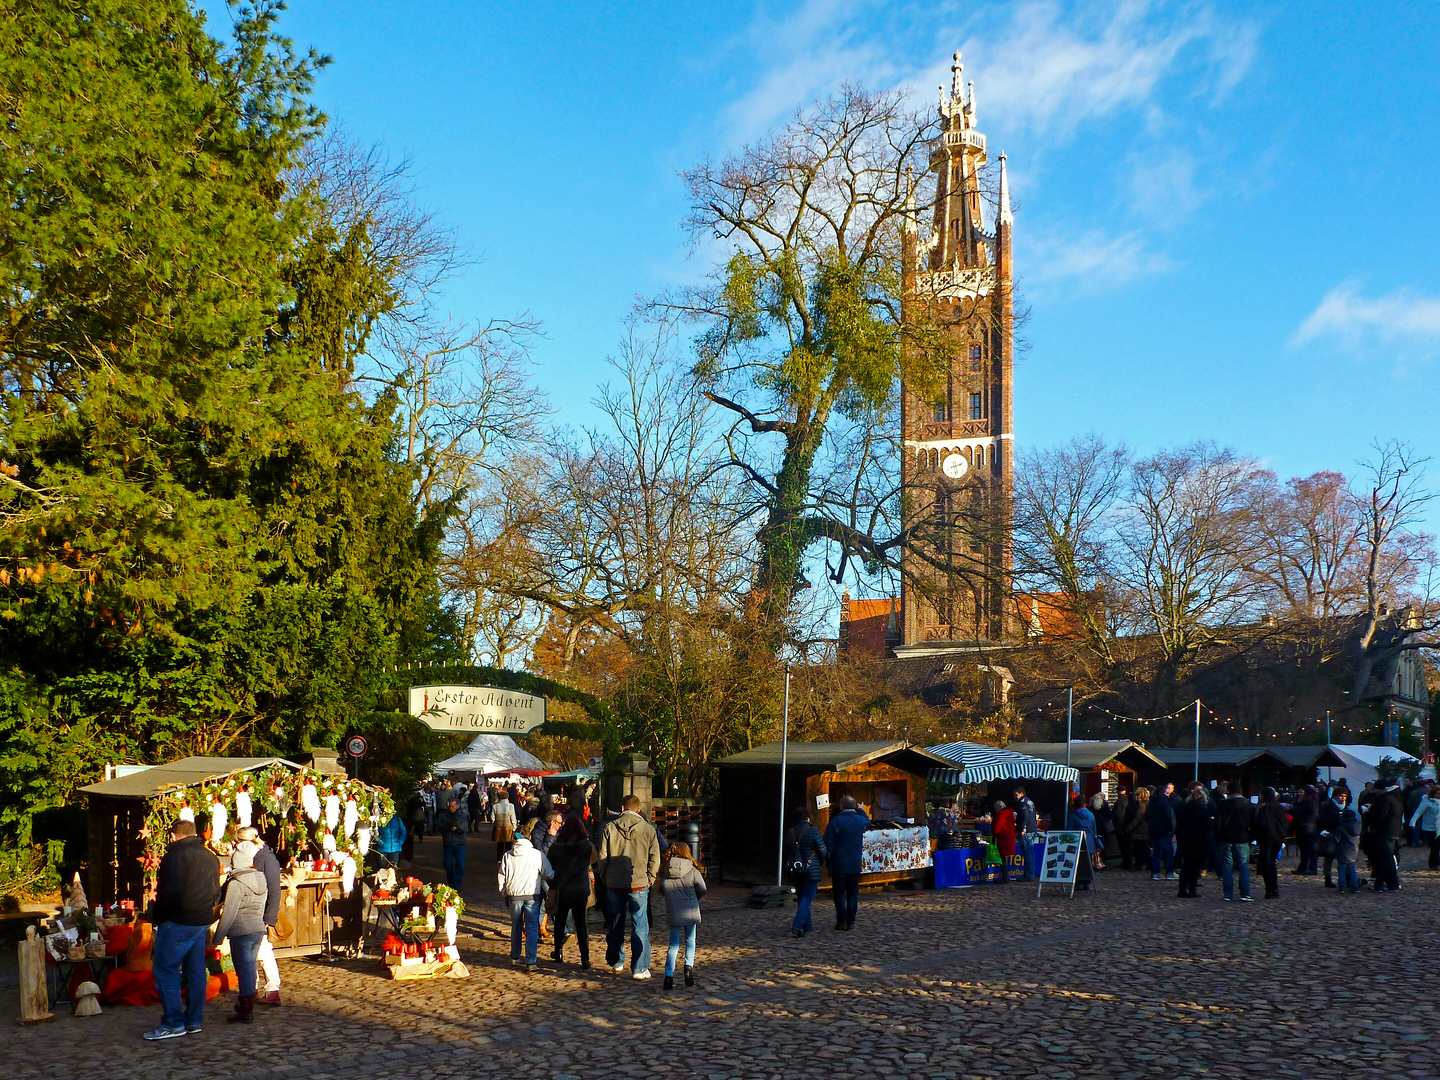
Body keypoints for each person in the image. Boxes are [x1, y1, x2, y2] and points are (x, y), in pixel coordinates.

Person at [144, 818, 221, 1040]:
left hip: (178, 921)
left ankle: (173, 1023)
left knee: (166, 970)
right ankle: (193, 1020)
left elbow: (168, 892)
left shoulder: (175, 856)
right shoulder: (210, 856)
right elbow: (216, 891)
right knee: (195, 972)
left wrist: (159, 918)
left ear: (173, 835)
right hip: (201, 921)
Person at [596, 794, 661, 979]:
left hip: (615, 882)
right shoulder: (649, 830)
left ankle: (617, 961)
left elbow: (602, 856)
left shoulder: (610, 828)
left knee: (616, 923)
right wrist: (650, 878)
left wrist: (605, 877)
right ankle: (639, 968)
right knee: (640, 925)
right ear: (638, 809)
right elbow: (655, 858)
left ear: (622, 808)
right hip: (638, 882)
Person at [214, 840, 269, 1024]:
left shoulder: (237, 883)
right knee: (250, 966)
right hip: (257, 928)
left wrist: (218, 937)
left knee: (243, 970)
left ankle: (246, 1010)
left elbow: (229, 912)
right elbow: (261, 908)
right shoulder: (261, 879)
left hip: (241, 931)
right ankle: (246, 1004)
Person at [233, 826, 283, 1007]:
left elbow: (274, 890)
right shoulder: (253, 857)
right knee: (253, 953)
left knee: (262, 952)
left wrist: (269, 918)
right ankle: (252, 987)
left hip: (260, 914)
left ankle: (272, 988)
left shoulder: (266, 858)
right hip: (252, 913)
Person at [498, 831, 553, 971]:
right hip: (532, 894)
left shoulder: (508, 855)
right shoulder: (537, 854)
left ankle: (515, 957)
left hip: (514, 895)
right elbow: (548, 873)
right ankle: (531, 960)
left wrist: (504, 892)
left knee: (516, 926)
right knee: (532, 927)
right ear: (529, 838)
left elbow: (502, 876)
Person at [547, 816, 594, 968]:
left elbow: (550, 866)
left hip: (563, 887)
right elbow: (595, 862)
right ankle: (585, 958)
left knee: (560, 922)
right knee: (581, 924)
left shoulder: (556, 847)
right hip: (580, 887)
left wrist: (553, 883)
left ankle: (558, 951)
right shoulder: (587, 846)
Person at [659, 841, 707, 991]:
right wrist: (693, 898)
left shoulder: (666, 872)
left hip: (674, 911)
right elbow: (702, 888)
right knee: (690, 941)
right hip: (690, 910)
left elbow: (662, 890)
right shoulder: (692, 870)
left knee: (673, 944)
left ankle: (668, 976)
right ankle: (688, 967)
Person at [823, 795, 870, 930]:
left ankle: (841, 920)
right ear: (855, 806)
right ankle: (851, 921)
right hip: (854, 863)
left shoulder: (835, 822)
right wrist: (861, 810)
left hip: (838, 863)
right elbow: (868, 821)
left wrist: (828, 858)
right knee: (852, 894)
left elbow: (828, 843)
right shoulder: (860, 820)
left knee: (838, 893)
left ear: (841, 806)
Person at [787, 808, 827, 936]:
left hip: (796, 869)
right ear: (808, 817)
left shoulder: (790, 832)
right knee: (807, 898)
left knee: (802, 898)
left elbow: (788, 851)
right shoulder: (813, 831)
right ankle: (797, 925)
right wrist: (820, 863)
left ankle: (807, 926)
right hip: (811, 869)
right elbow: (822, 850)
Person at [1363, 777, 1404, 892]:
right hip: (1394, 830)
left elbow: (1381, 815)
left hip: (1386, 831)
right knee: (1387, 858)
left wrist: (1367, 813)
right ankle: (1384, 883)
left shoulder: (1386, 798)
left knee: (1385, 859)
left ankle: (1390, 883)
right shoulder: (1397, 797)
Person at [1175, 787, 1213, 899]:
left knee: (1186, 865)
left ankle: (1182, 889)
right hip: (1198, 840)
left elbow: (1179, 823)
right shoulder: (1203, 809)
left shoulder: (1184, 808)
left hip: (1186, 839)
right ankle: (1192, 889)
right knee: (1195, 866)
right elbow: (1206, 826)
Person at [1253, 787, 1288, 899]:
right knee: (1272, 863)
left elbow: (1260, 824)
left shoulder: (1263, 808)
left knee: (1266, 864)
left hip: (1266, 838)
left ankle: (1269, 889)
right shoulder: (1279, 807)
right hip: (1277, 838)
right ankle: (1275, 888)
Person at [1329, 788, 1362, 892]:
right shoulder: (1358, 826)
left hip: (1343, 851)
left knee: (1342, 869)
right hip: (1353, 850)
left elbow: (1336, 838)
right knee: (1352, 869)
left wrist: (1329, 835)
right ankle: (1354, 886)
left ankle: (1342, 886)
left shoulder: (1342, 827)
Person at [434, 798, 468, 888]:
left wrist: (457, 828)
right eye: (449, 806)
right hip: (448, 843)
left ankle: (457, 884)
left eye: (453, 806)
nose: (451, 808)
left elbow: (465, 828)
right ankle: (451, 882)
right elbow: (439, 827)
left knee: (460, 865)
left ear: (457, 806)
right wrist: (447, 827)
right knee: (448, 864)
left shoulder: (462, 815)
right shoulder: (443, 815)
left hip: (460, 843)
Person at [1145, 784, 1177, 881]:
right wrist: (1171, 829)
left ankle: (1156, 872)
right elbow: (1168, 817)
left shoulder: (1151, 802)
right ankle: (1170, 872)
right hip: (1163, 830)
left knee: (1156, 852)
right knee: (1169, 851)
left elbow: (1146, 816)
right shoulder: (1164, 802)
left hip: (1153, 830)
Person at [1410, 783, 1440, 871]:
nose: (1438, 796)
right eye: (1437, 794)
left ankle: (1436, 863)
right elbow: (1419, 812)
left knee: (1437, 847)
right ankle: (1434, 864)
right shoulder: (1426, 801)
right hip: (1430, 828)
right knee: (1434, 847)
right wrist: (1412, 822)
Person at [1290, 786, 1319, 876]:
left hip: (1308, 828)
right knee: (1303, 849)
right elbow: (1297, 811)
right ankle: (1302, 867)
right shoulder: (1301, 802)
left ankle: (1312, 868)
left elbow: (1313, 815)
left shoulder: (1312, 802)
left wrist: (1300, 819)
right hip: (1300, 828)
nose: (1300, 794)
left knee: (1310, 849)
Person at [1318, 787, 1343, 888]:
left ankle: (1343, 878)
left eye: (1344, 796)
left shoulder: (1345, 807)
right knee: (1329, 857)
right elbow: (1322, 820)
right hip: (1329, 832)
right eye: (1341, 796)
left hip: (1341, 834)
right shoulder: (1326, 805)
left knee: (1343, 857)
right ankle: (1327, 878)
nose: (1343, 798)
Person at [1012, 787, 1039, 880]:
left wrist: (1022, 828)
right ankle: (1031, 872)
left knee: (1027, 852)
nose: (1015, 797)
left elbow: (1024, 815)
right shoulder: (1030, 802)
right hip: (1033, 830)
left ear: (1022, 793)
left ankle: (1029, 874)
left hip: (1027, 831)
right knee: (1030, 852)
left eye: (1016, 794)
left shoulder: (1023, 803)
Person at [1125, 788, 1151, 872]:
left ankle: (1143, 864)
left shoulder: (1141, 805)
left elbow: (1137, 818)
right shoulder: (1149, 803)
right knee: (1143, 849)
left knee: (1141, 849)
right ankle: (1142, 864)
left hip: (1139, 830)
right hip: (1145, 830)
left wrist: (1129, 828)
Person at [991, 800, 1016, 884]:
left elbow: (997, 828)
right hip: (1009, 837)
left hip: (1003, 837)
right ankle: (1005, 876)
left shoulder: (1000, 814)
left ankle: (1005, 877)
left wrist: (993, 833)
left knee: (1002, 858)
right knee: (1005, 858)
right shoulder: (1009, 813)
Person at [491, 789, 517, 862]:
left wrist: (494, 823)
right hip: (508, 827)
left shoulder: (495, 806)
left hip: (498, 826)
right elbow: (513, 817)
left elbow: (492, 818)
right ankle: (508, 859)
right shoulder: (511, 806)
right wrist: (514, 827)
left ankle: (499, 858)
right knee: (509, 844)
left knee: (500, 844)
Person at [1113, 789, 1133, 870]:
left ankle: (1126, 863)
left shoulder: (1119, 802)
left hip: (1121, 827)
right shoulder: (1128, 800)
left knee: (1123, 846)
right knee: (1127, 846)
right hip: (1127, 826)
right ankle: (1128, 862)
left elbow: (1118, 815)